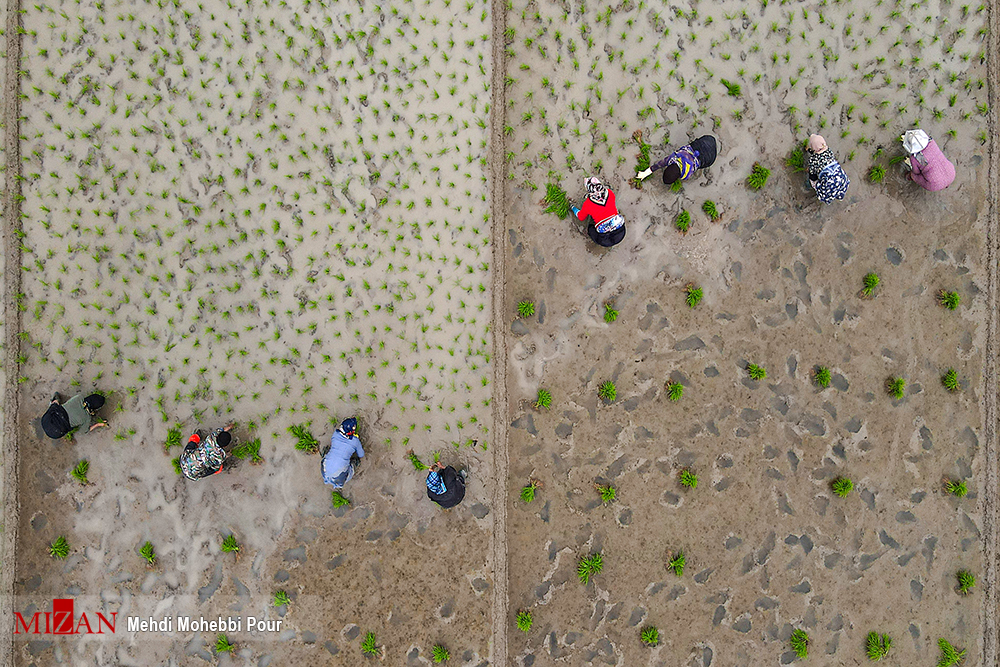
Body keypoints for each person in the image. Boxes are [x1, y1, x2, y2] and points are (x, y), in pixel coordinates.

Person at [636, 135, 718, 185]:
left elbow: (658, 165)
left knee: (700, 163)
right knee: (694, 146)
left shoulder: (687, 175)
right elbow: (659, 164)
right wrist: (645, 173)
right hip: (707, 140)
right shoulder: (673, 158)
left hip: (710, 159)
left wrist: (645, 173)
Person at [571, 177, 626, 247]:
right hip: (621, 231)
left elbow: (581, 217)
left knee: (590, 228)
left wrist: (572, 207)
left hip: (604, 239)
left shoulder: (588, 204)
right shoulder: (610, 193)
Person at [41, 392, 108, 439]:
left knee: (55, 406)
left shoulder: (79, 397)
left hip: (45, 420)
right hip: (55, 433)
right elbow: (84, 431)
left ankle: (55, 400)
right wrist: (98, 424)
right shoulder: (87, 418)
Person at [321, 417, 364, 489]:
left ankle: (325, 454)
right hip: (339, 478)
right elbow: (361, 454)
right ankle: (353, 467)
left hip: (324, 471)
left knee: (330, 453)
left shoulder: (335, 434)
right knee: (355, 461)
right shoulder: (355, 441)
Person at [805, 134, 850, 203]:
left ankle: (811, 187)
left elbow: (812, 176)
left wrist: (810, 172)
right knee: (838, 188)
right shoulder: (829, 151)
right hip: (840, 177)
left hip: (829, 182)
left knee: (816, 183)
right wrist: (809, 150)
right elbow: (818, 152)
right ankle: (838, 195)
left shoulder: (813, 160)